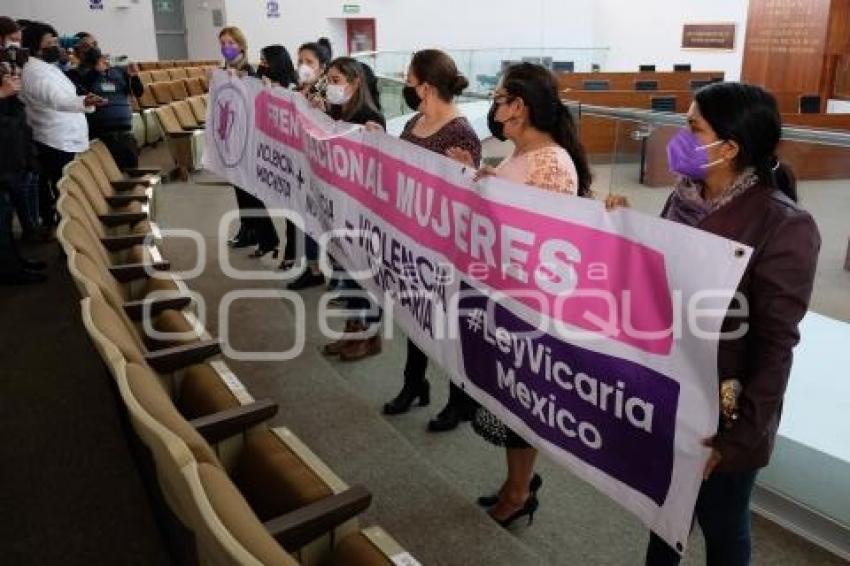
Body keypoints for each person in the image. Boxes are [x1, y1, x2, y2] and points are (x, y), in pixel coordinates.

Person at [605, 82, 820, 566]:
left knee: (722, 524)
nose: (678, 137)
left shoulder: (784, 225)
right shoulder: (684, 198)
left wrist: (738, 439)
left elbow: (775, 344)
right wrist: (622, 232)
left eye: (692, 127)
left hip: (725, 410)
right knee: (665, 511)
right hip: (669, 390)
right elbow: (659, 280)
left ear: (729, 147)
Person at [461, 62, 593, 528]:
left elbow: (545, 237)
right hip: (504, 296)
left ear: (519, 106)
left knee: (523, 402)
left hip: (530, 307)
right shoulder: (520, 154)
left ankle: (519, 492)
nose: (494, 107)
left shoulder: (551, 163)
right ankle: (517, 484)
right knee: (509, 398)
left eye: (498, 98)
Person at [381, 49, 481, 433]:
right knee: (416, 316)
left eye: (408, 80)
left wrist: (467, 173)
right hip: (413, 240)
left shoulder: (460, 132)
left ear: (425, 86)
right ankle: (414, 383)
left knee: (447, 324)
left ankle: (459, 401)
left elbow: (471, 196)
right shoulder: (415, 122)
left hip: (446, 247)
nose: (405, 85)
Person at [318, 56, 386, 362]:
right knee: (342, 271)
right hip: (335, 207)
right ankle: (351, 327)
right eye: (328, 81)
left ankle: (369, 335)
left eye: (336, 81)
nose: (330, 87)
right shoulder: (333, 113)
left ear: (355, 82)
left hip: (358, 211)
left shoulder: (369, 117)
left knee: (360, 274)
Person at [19, 21, 101, 228]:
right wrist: (84, 102)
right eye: (50, 42)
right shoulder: (32, 72)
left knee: (73, 191)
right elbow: (56, 99)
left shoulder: (47, 68)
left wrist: (83, 101)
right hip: (56, 141)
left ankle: (78, 227)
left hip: (67, 138)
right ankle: (74, 233)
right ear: (34, 47)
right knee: (68, 194)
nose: (57, 46)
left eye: (56, 41)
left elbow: (67, 96)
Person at [219, 26, 280, 258]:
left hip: (248, 140)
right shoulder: (226, 70)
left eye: (231, 43)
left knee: (250, 192)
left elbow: (251, 101)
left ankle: (267, 238)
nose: (226, 48)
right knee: (241, 191)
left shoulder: (247, 72)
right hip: (233, 138)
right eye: (223, 43)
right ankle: (250, 230)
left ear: (241, 46)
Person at [286, 37, 334, 291]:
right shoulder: (299, 91)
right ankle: (313, 268)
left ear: (322, 67)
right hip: (304, 167)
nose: (303, 66)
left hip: (325, 172)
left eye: (309, 62)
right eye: (300, 61)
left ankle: (337, 275)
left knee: (327, 221)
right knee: (305, 218)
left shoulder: (329, 93)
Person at [0, 16, 45, 244]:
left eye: (19, 41)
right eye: (11, 40)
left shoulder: (11, 65)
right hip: (4, 146)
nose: (16, 46)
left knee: (22, 190)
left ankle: (17, 256)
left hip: (16, 138)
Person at [0, 64, 46, 284]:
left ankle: (15, 262)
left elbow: (21, 128)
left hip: (12, 165)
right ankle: (9, 270)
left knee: (6, 220)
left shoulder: (11, 101)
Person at [66, 46, 144, 168]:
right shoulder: (80, 74)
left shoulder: (118, 72)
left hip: (124, 131)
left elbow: (138, 92)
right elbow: (83, 90)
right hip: (99, 132)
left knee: (131, 168)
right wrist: (96, 71)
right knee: (108, 170)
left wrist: (134, 76)